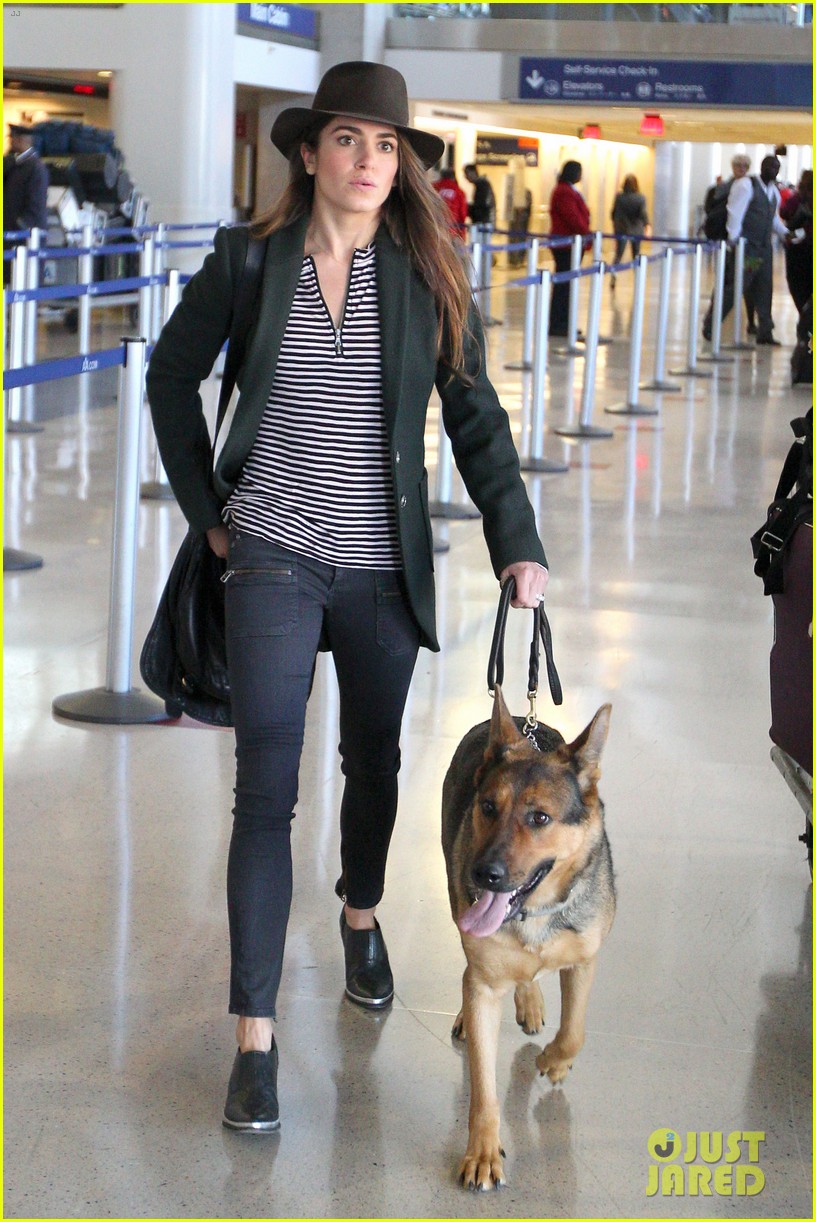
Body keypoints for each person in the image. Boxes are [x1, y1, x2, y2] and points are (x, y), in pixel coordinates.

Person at [146, 61, 548, 1135]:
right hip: (270, 552)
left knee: (374, 764)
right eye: (348, 140)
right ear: (310, 152)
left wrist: (518, 544)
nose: (369, 161)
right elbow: (169, 376)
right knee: (264, 791)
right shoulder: (248, 260)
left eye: (387, 145)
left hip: (381, 568)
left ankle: (360, 913)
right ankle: (255, 1038)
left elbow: (476, 419)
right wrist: (211, 513)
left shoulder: (426, 273)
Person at [702, 154, 788, 346]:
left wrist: (787, 234)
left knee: (765, 288)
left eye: (776, 168)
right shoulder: (746, 185)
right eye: (770, 166)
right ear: (762, 167)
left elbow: (773, 219)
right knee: (736, 286)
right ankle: (711, 324)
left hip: (764, 248)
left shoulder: (773, 191)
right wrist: (734, 241)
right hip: (748, 249)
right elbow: (735, 214)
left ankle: (765, 331)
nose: (773, 171)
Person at [547, 159, 590, 337]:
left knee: (567, 286)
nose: (581, 175)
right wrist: (586, 232)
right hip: (565, 244)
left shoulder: (567, 190)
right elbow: (572, 217)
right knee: (563, 287)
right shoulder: (564, 192)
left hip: (570, 243)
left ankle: (566, 322)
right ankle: (559, 324)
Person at [3, 124, 49, 285]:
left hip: (23, 237)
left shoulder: (35, 167)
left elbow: (35, 205)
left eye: (13, 138)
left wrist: (20, 226)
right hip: (10, 234)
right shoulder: (12, 164)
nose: (10, 142)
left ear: (22, 140)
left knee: (23, 279)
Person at [779, 168, 812, 316]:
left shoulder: (795, 199)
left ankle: (804, 318)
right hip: (806, 248)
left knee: (798, 287)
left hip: (796, 249)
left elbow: (783, 212)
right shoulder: (798, 199)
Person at [610, 173, 649, 287]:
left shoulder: (619, 197)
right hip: (636, 229)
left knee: (618, 253)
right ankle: (637, 277)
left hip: (622, 228)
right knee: (636, 254)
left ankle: (614, 274)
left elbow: (613, 213)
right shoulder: (640, 198)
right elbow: (642, 214)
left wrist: (616, 224)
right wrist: (647, 225)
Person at [432, 163, 468, 240]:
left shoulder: (432, 188)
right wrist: (462, 234)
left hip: (435, 229)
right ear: (453, 177)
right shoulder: (459, 192)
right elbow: (462, 214)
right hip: (452, 230)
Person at [463, 162, 496, 229]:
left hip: (482, 222)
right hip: (484, 221)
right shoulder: (482, 184)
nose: (466, 177)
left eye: (467, 173)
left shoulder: (482, 185)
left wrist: (468, 209)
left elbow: (481, 205)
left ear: (473, 172)